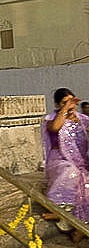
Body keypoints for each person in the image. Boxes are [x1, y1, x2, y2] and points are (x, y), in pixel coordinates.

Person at [42, 88, 89, 233]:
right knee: (70, 172)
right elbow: (55, 127)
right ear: (57, 105)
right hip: (59, 161)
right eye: (64, 103)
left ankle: (80, 228)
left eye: (72, 102)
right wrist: (65, 109)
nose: (70, 106)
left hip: (81, 160)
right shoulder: (51, 119)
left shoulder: (83, 120)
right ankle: (59, 208)